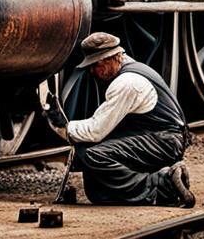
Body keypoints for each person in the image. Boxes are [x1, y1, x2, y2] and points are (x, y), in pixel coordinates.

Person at [43, 32, 194, 207]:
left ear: (109, 60)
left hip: (164, 142)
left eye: (95, 65)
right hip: (159, 137)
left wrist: (63, 126)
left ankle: (163, 186)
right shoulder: (131, 67)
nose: (92, 71)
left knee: (94, 155)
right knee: (97, 185)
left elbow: (95, 131)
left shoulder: (126, 83)